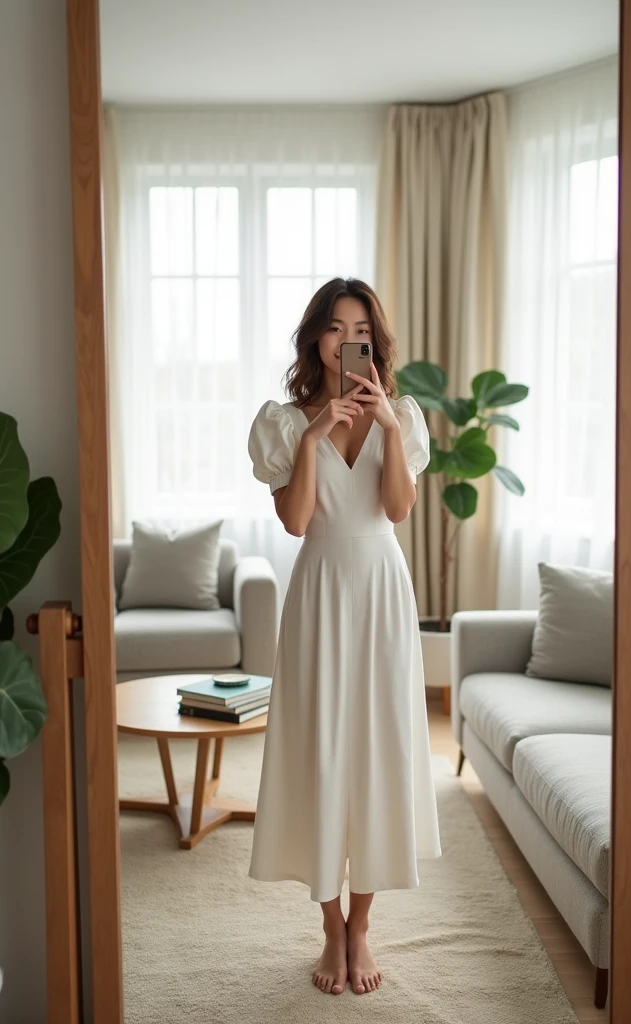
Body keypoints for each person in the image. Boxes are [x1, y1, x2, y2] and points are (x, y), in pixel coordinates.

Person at [247, 277, 442, 996]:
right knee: (323, 750)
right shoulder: (284, 421)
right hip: (321, 589)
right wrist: (316, 434)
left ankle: (362, 925)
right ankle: (329, 924)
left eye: (358, 327)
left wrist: (388, 426)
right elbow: (296, 523)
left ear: (374, 342)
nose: (344, 339)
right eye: (333, 327)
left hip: (382, 591)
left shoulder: (407, 418)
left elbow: (396, 508)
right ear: (315, 339)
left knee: (379, 752)